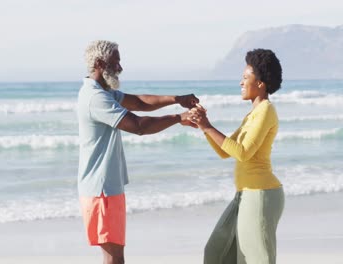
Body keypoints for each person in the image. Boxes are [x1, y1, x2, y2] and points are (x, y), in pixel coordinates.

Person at [77, 40, 198, 264]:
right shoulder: (96, 98)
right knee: (115, 257)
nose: (120, 67)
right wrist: (178, 118)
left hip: (104, 187)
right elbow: (138, 126)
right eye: (116, 62)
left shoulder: (104, 92)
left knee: (113, 256)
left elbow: (140, 102)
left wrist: (177, 100)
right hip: (101, 189)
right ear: (100, 63)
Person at [189, 49, 285, 264]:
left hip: (261, 194)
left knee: (256, 259)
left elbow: (242, 153)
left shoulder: (266, 110)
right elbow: (225, 151)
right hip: (244, 194)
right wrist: (204, 127)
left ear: (260, 83)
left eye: (245, 77)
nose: (241, 82)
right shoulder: (253, 114)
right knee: (216, 253)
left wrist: (208, 126)